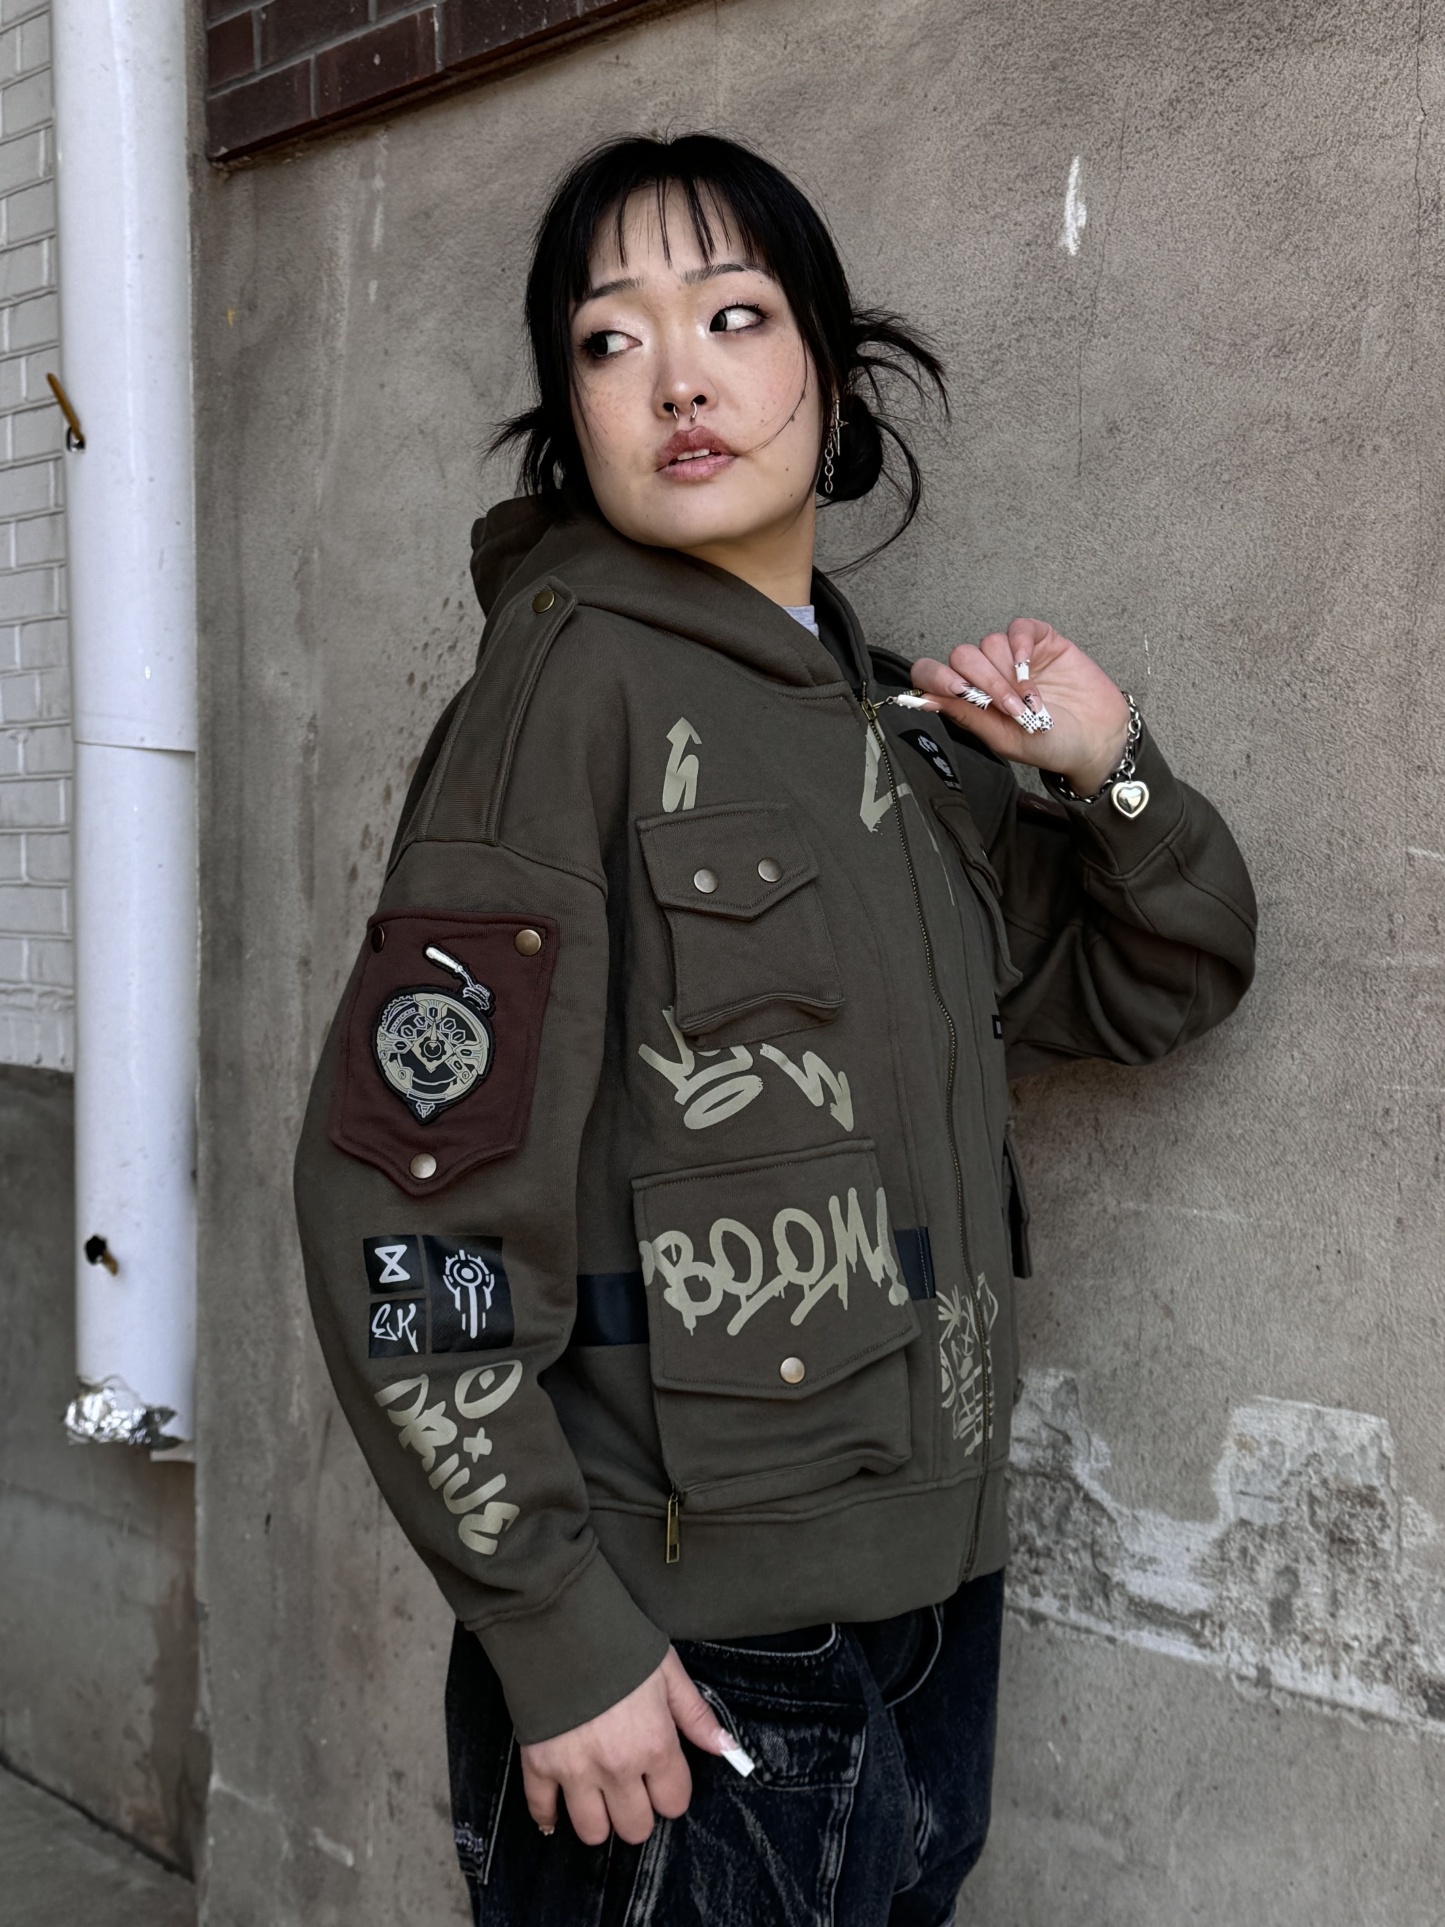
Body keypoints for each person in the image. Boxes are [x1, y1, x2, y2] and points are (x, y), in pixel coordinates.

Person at [293, 133, 1256, 1925]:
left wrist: (1105, 770)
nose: (676, 376)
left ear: (832, 373)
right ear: (571, 416)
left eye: (732, 315)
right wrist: (555, 1633)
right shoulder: (564, 690)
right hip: (682, 1659)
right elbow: (403, 1212)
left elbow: (1159, 982)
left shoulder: (897, 744)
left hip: (927, 1622)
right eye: (608, 340)